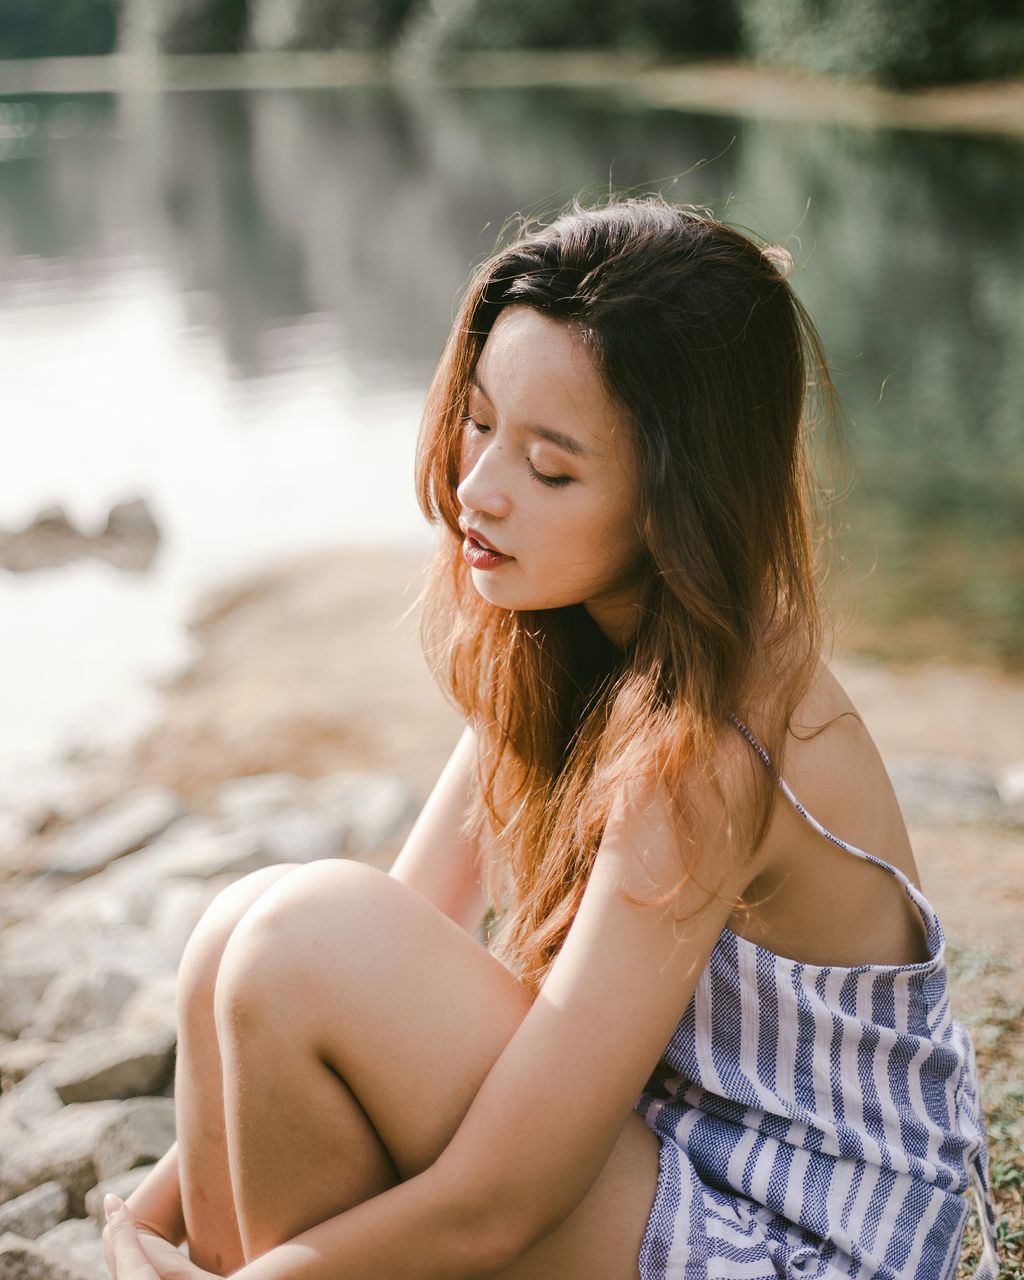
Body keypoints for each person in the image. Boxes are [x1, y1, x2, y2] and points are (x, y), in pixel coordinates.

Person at [104, 195, 1000, 1280]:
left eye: (551, 467)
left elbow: (497, 1202)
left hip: (796, 1242)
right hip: (672, 1164)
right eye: (479, 422)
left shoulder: (711, 740)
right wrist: (149, 1213)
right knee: (240, 929)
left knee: (301, 930)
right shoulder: (576, 641)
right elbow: (383, 930)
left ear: (677, 498)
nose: (477, 490)